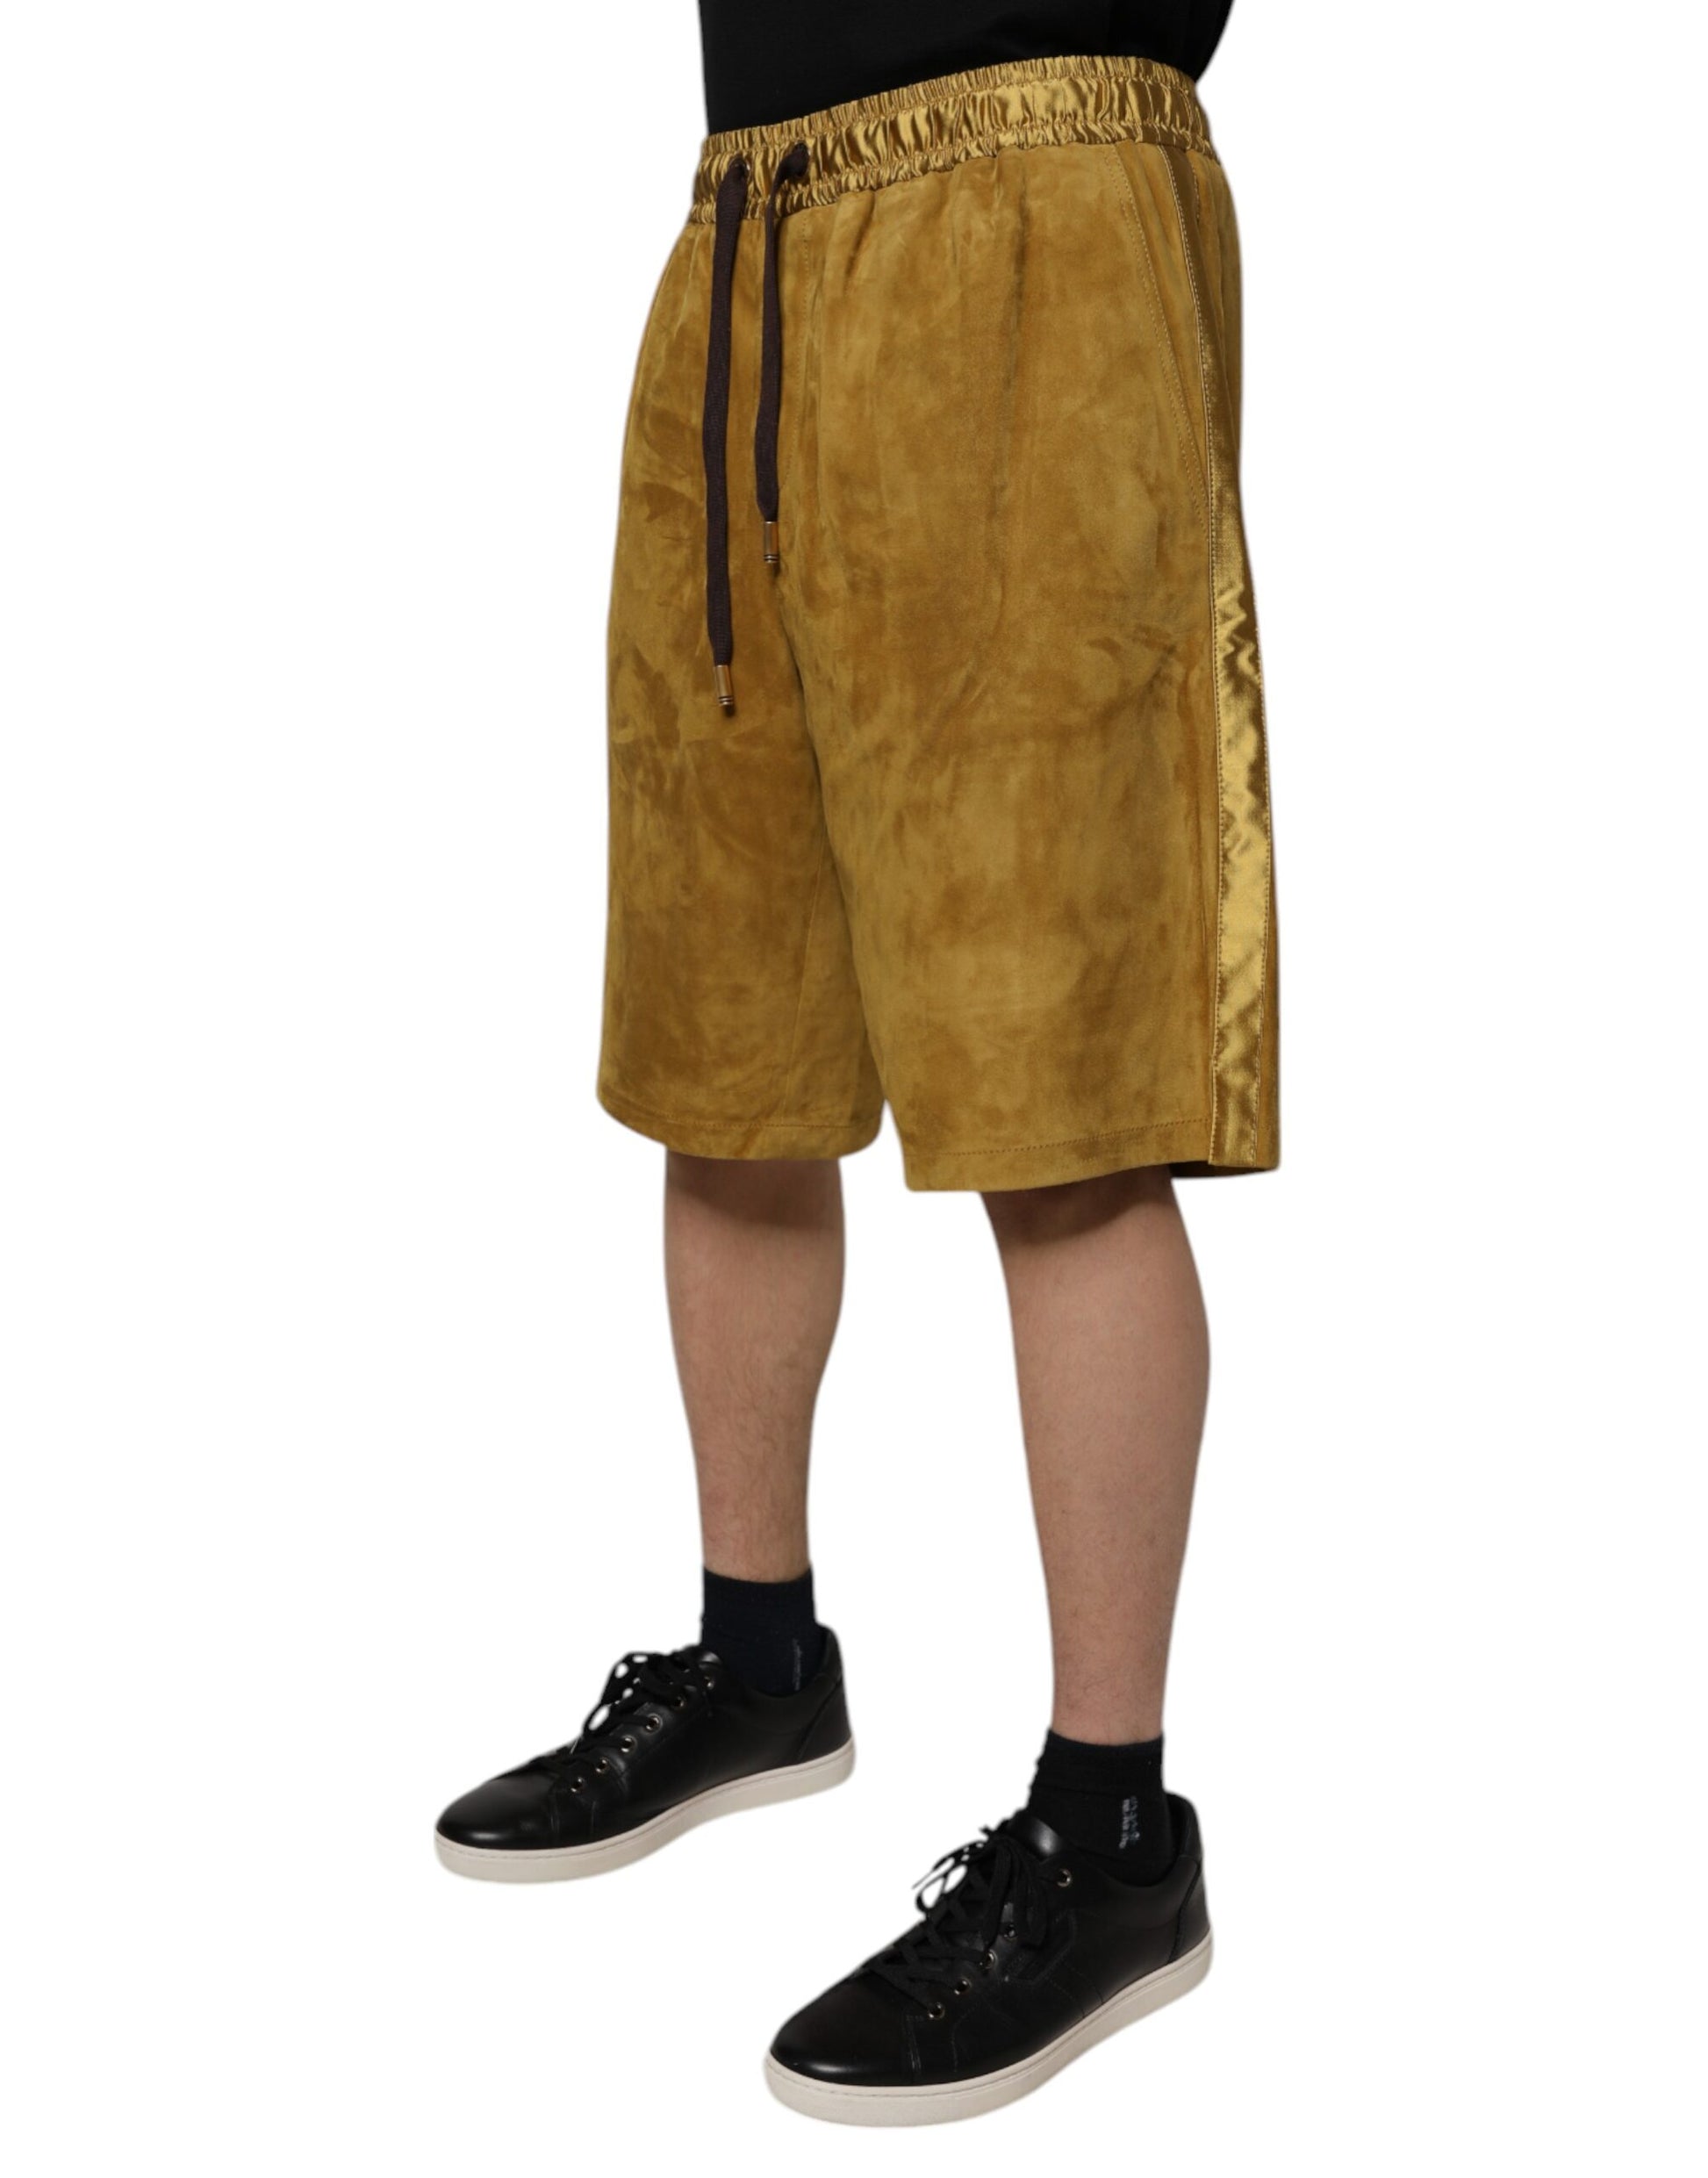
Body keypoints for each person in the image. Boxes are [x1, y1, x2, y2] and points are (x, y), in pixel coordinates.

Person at [436, 0, 1277, 2124]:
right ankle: (756, 1656)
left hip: (1035, 183)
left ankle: (1109, 1832)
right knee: (726, 1033)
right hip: (747, 222)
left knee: (1057, 1072)